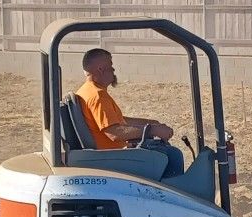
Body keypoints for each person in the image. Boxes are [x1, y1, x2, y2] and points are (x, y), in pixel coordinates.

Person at [74, 48, 185, 177]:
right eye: (111, 65)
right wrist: (152, 130)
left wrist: (152, 124)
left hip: (111, 153)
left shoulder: (87, 91)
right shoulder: (97, 96)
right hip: (113, 157)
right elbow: (114, 132)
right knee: (173, 155)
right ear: (101, 69)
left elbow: (118, 120)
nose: (113, 70)